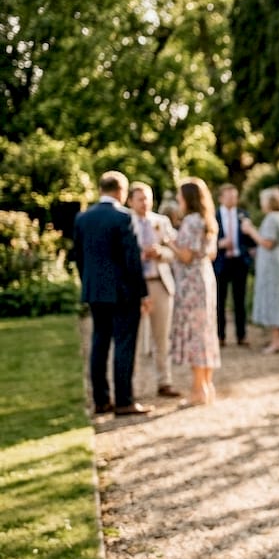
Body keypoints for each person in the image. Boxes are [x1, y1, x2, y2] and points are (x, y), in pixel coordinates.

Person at [72, 171, 154, 417]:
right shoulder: (123, 217)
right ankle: (124, 401)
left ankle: (101, 400)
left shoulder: (82, 218)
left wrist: (88, 284)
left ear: (101, 190)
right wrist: (143, 293)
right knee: (124, 345)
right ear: (121, 191)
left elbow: (79, 258)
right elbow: (132, 259)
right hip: (123, 293)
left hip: (95, 291)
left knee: (99, 343)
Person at [127, 182, 182, 398]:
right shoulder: (125, 222)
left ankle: (164, 381)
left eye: (148, 198)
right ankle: (132, 385)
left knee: (162, 336)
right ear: (130, 201)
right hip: (135, 286)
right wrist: (138, 256)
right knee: (134, 338)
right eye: (140, 199)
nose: (145, 203)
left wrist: (160, 253)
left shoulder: (162, 222)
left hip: (159, 282)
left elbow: (175, 253)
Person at [170, 178, 222, 405]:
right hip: (205, 276)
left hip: (191, 282)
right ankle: (208, 386)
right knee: (206, 330)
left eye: (180, 196)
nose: (178, 200)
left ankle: (198, 391)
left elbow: (186, 256)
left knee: (195, 333)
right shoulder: (208, 220)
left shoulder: (191, 221)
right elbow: (211, 254)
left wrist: (169, 242)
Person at [240, 187, 279, 354]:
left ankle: (276, 341)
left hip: (272, 266)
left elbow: (268, 243)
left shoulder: (271, 218)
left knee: (273, 299)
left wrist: (250, 230)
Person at [214, 182, 253, 346]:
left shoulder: (243, 215)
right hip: (221, 262)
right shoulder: (213, 216)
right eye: (229, 196)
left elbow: (250, 240)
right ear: (221, 198)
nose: (232, 199)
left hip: (239, 262)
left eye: (235, 197)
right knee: (219, 301)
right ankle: (220, 336)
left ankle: (241, 335)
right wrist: (219, 244)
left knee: (240, 300)